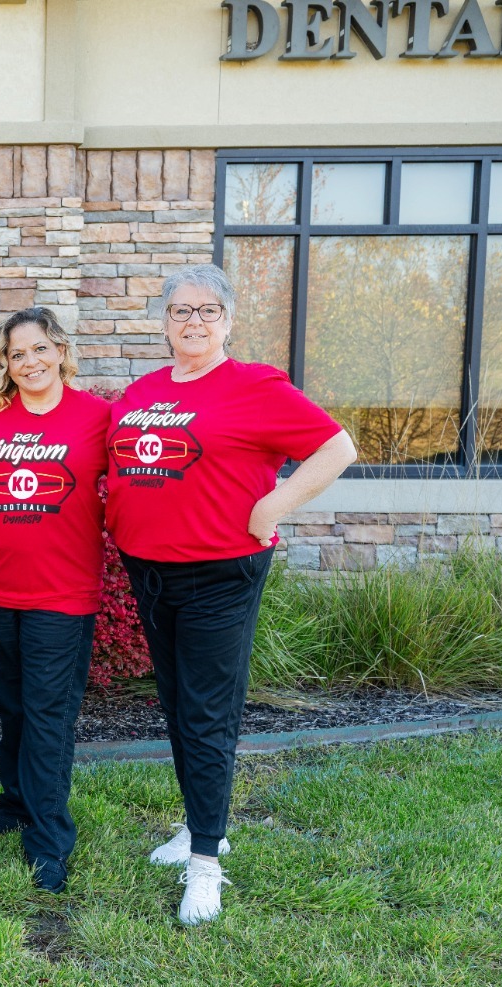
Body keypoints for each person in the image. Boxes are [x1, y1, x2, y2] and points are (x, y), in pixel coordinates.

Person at [106, 263, 356, 925]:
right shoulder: (145, 389)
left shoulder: (255, 386)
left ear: (229, 321)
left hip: (220, 572)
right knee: (178, 703)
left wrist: (273, 506)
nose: (193, 321)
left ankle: (206, 867)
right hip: (149, 569)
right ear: (163, 321)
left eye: (206, 311)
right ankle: (196, 827)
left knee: (208, 715)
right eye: (180, 311)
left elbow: (337, 448)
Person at [0, 308, 110, 894]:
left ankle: (49, 840)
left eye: (37, 350)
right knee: (14, 707)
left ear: (60, 350)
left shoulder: (99, 416)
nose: (28, 362)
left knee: (49, 717)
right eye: (15, 355)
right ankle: (16, 803)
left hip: (64, 594)